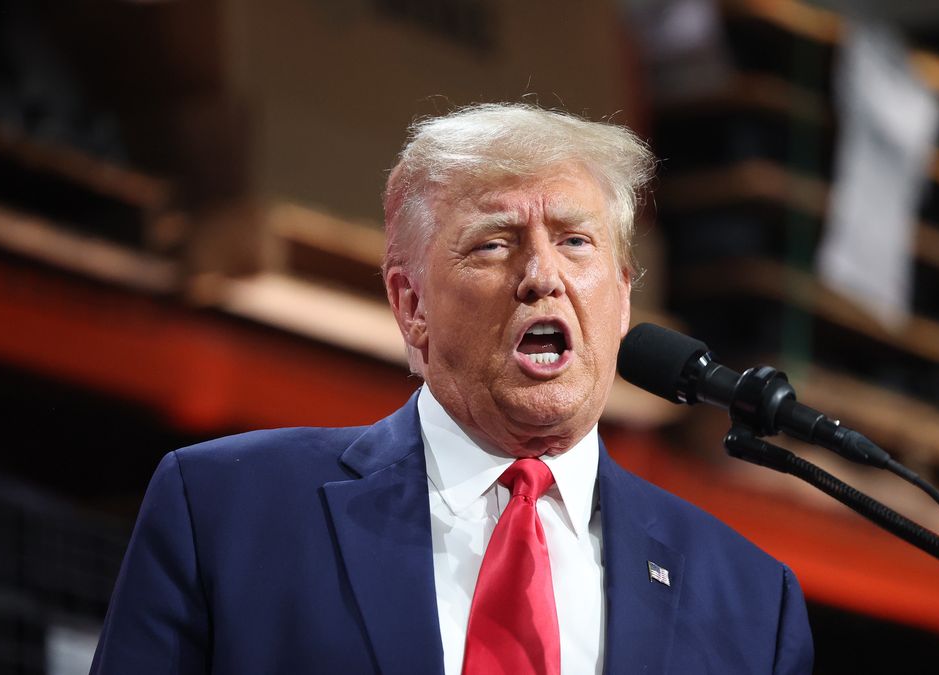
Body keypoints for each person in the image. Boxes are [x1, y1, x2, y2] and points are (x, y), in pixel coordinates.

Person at [89, 103, 814, 674]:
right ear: (411, 306)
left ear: (622, 298)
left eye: (575, 240)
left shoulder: (752, 602)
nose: (542, 275)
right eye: (494, 243)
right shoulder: (225, 510)